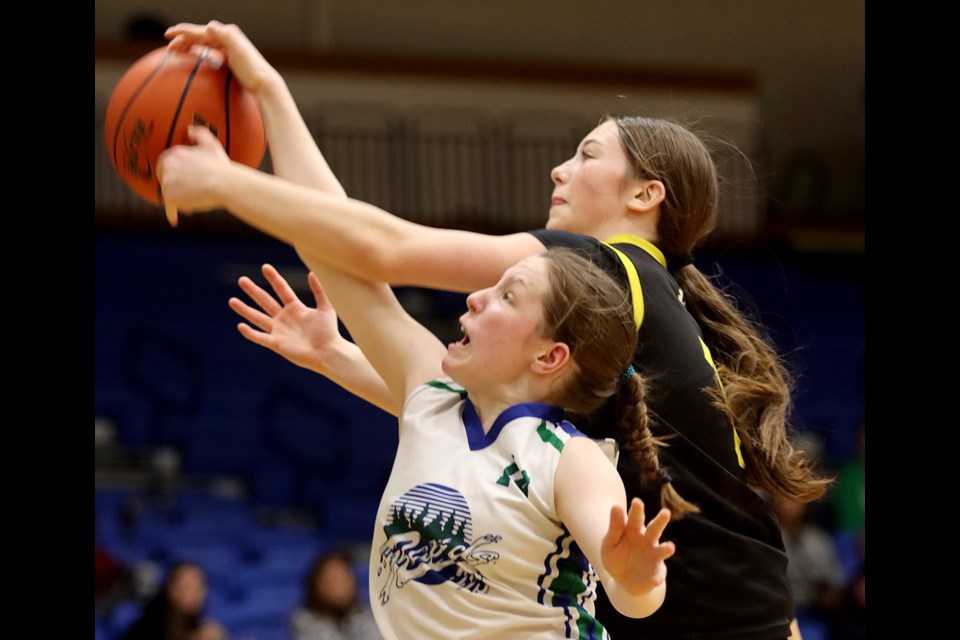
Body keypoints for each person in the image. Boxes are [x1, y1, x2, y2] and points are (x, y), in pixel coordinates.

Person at [157, 21, 832, 639]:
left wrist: (229, 184)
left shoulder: (611, 267)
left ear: (644, 195)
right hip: (741, 614)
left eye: (587, 154)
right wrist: (270, 94)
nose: (560, 169)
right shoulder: (637, 304)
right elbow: (468, 410)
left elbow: (379, 250)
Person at [230, 247, 684, 639]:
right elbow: (332, 238)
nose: (475, 296)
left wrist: (636, 580)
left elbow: (632, 597)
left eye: (507, 295)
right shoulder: (431, 402)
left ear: (549, 355)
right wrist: (332, 352)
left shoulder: (570, 459)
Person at [120, 560, 228, 640]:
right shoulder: (143, 630)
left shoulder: (205, 630)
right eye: (187, 587)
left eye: (199, 588)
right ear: (170, 589)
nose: (195, 594)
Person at [290, 550, 381, 640]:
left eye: (343, 578)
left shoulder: (370, 617)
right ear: (317, 584)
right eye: (332, 578)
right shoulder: (302, 620)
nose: (338, 585)